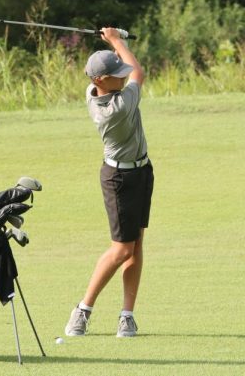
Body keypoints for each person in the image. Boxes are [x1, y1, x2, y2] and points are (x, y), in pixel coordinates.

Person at [64, 27, 154, 338]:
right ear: (100, 81)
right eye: (116, 74)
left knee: (136, 243)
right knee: (121, 249)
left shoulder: (95, 91)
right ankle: (82, 310)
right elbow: (138, 72)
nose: (123, 75)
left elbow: (124, 69)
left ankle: (127, 315)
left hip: (141, 171)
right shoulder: (117, 107)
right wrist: (117, 41)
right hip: (119, 178)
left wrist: (115, 48)